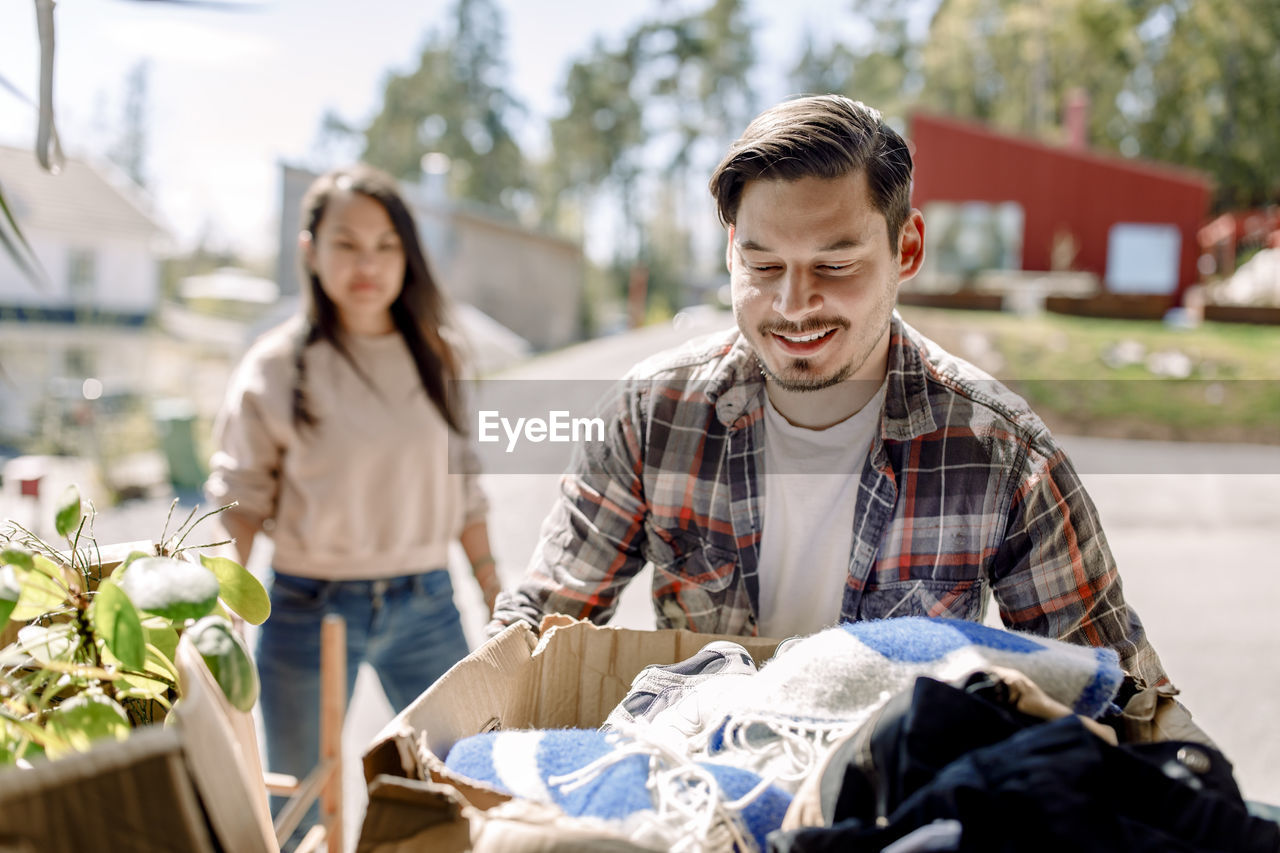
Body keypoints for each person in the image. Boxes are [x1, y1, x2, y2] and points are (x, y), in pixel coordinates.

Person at [489, 94, 1175, 701]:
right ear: (731, 251)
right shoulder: (650, 417)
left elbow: (1117, 691)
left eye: (835, 265)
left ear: (907, 249)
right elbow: (541, 621)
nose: (794, 304)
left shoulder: (1001, 451)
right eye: (763, 267)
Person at [205, 164, 499, 844]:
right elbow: (239, 504)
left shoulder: (440, 357)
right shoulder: (274, 368)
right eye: (346, 243)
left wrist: (493, 587)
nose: (367, 263)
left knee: (463, 782)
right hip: (307, 609)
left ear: (407, 253)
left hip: (426, 602)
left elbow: (467, 489)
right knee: (297, 806)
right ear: (309, 249)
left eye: (385, 244)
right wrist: (220, 619)